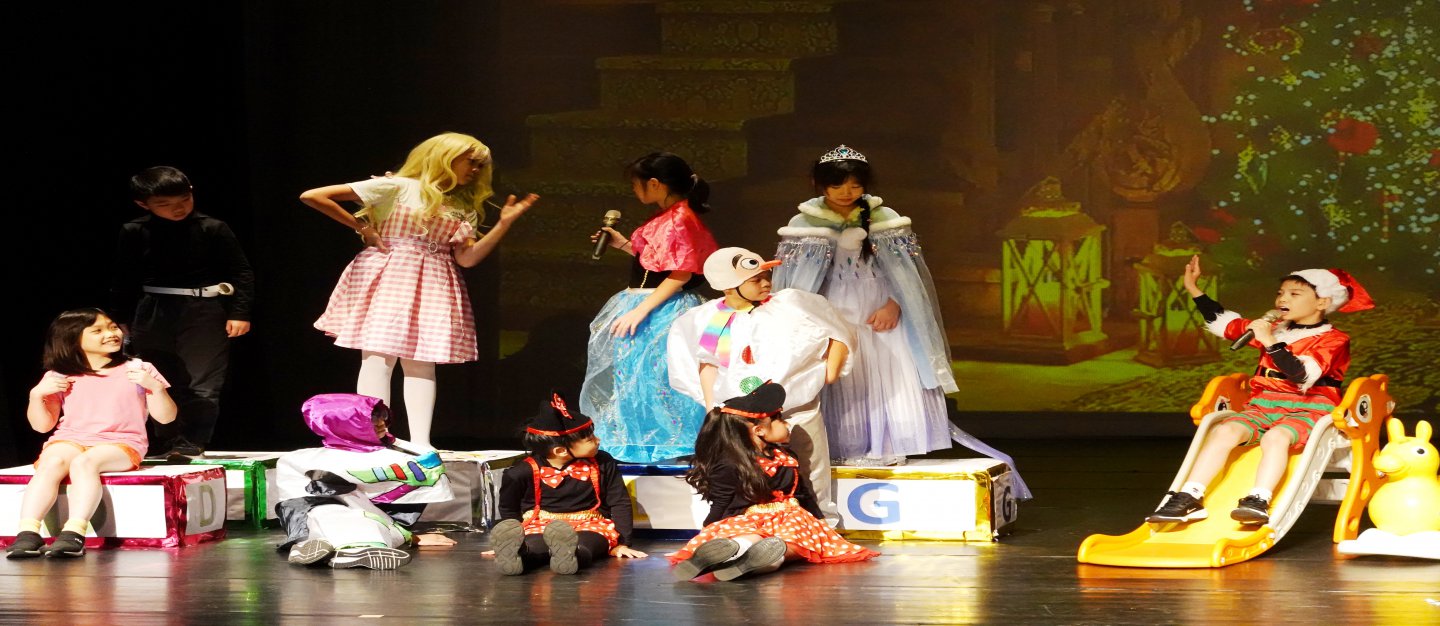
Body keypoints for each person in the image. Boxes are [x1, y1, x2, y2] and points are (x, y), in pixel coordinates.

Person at [772, 145, 1027, 498]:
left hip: (879, 306)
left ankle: (886, 445)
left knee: (886, 372)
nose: (847, 192)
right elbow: (794, 280)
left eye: (855, 185)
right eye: (838, 185)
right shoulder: (805, 223)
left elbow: (907, 275)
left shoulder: (884, 217)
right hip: (832, 309)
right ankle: (844, 444)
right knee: (845, 374)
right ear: (820, 184)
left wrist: (894, 304)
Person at [300, 132, 539, 449]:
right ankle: (374, 438)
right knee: (378, 358)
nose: (476, 170)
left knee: (422, 361)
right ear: (445, 156)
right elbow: (314, 196)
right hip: (391, 272)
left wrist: (503, 224)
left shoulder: (460, 204)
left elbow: (467, 258)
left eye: (481, 165)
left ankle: (422, 443)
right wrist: (363, 228)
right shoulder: (397, 186)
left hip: (434, 279)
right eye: (472, 162)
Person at [1147, 257, 1374, 525]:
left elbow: (1301, 374)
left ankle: (1259, 499)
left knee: (1276, 437)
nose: (1282, 299)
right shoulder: (1275, 329)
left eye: (1294, 294)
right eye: (1280, 293)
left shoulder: (1333, 339)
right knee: (1224, 431)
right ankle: (1190, 497)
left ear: (1322, 302)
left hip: (1310, 407)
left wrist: (1269, 341)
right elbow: (1226, 323)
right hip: (1264, 403)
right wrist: (1194, 289)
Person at [668, 247, 853, 523]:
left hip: (795, 408)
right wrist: (711, 408)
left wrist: (830, 373)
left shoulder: (793, 304)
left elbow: (839, 332)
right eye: (756, 279)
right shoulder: (705, 319)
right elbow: (707, 364)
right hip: (741, 417)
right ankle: (753, 530)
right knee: (745, 473)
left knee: (808, 469)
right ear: (728, 286)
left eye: (767, 276)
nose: (766, 283)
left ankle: (819, 526)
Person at [581, 152, 718, 463]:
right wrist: (622, 244)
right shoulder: (671, 216)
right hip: (649, 302)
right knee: (636, 378)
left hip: (660, 308)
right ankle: (641, 446)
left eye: (636, 184)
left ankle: (667, 448)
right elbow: (658, 261)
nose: (634, 190)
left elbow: (681, 273)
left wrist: (641, 310)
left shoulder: (680, 219)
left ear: (654, 183)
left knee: (655, 380)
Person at [7, 309, 176, 559]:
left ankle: (74, 532)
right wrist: (36, 395)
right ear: (73, 339)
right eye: (98, 330)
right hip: (71, 438)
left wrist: (156, 388)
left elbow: (166, 417)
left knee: (85, 462)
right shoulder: (59, 375)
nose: (111, 333)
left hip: (122, 442)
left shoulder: (139, 369)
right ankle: (27, 532)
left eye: (112, 327)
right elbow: (42, 426)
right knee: (52, 461)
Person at [112, 166, 255, 459]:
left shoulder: (212, 227)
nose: (177, 209)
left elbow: (241, 271)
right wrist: (120, 319)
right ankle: (164, 440)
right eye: (164, 204)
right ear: (143, 204)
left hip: (204, 308)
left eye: (183, 200)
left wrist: (239, 312)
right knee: (155, 376)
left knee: (203, 378)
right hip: (153, 309)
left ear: (191, 192)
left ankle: (192, 440)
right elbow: (123, 277)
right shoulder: (135, 231)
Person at [669, 382, 878, 581]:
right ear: (759, 430)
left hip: (789, 519)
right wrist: (708, 530)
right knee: (757, 538)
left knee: (783, 543)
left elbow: (802, 493)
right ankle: (731, 553)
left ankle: (751, 560)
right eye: (779, 420)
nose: (787, 424)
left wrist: (820, 521)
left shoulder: (786, 457)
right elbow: (722, 502)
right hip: (753, 520)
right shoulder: (731, 463)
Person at [274, 393, 457, 570]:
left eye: (382, 415)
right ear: (343, 425)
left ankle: (331, 549)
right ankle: (334, 548)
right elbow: (297, 501)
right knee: (328, 514)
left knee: (370, 524)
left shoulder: (400, 452)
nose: (381, 422)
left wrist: (410, 537)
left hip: (373, 518)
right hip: (320, 515)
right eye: (372, 418)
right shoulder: (304, 460)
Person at [493, 392, 646, 575]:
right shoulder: (522, 471)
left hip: (590, 523)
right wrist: (514, 535)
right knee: (535, 544)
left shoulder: (602, 462)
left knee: (589, 542)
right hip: (540, 524)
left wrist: (622, 543)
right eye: (590, 439)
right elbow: (508, 508)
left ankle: (572, 556)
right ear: (560, 451)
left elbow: (619, 501)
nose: (598, 440)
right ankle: (519, 556)